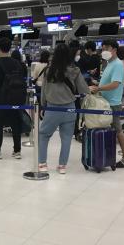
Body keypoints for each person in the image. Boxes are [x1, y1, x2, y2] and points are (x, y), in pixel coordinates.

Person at [39, 43, 90, 174]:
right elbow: (84, 90)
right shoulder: (75, 70)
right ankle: (62, 166)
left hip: (52, 108)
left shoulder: (49, 70)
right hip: (70, 109)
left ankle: (42, 164)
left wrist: (43, 105)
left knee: (44, 135)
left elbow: (44, 90)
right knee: (66, 138)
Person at [90, 40, 124, 168]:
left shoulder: (117, 64)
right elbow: (109, 82)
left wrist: (99, 88)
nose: (104, 51)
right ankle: (107, 156)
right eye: (102, 49)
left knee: (118, 130)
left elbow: (115, 84)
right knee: (113, 130)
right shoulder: (109, 64)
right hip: (105, 102)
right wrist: (97, 84)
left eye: (106, 48)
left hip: (112, 103)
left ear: (114, 49)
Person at [0, 36, 26, 159]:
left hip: (0, 99)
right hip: (15, 98)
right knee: (15, 124)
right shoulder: (17, 63)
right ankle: (17, 151)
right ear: (10, 48)